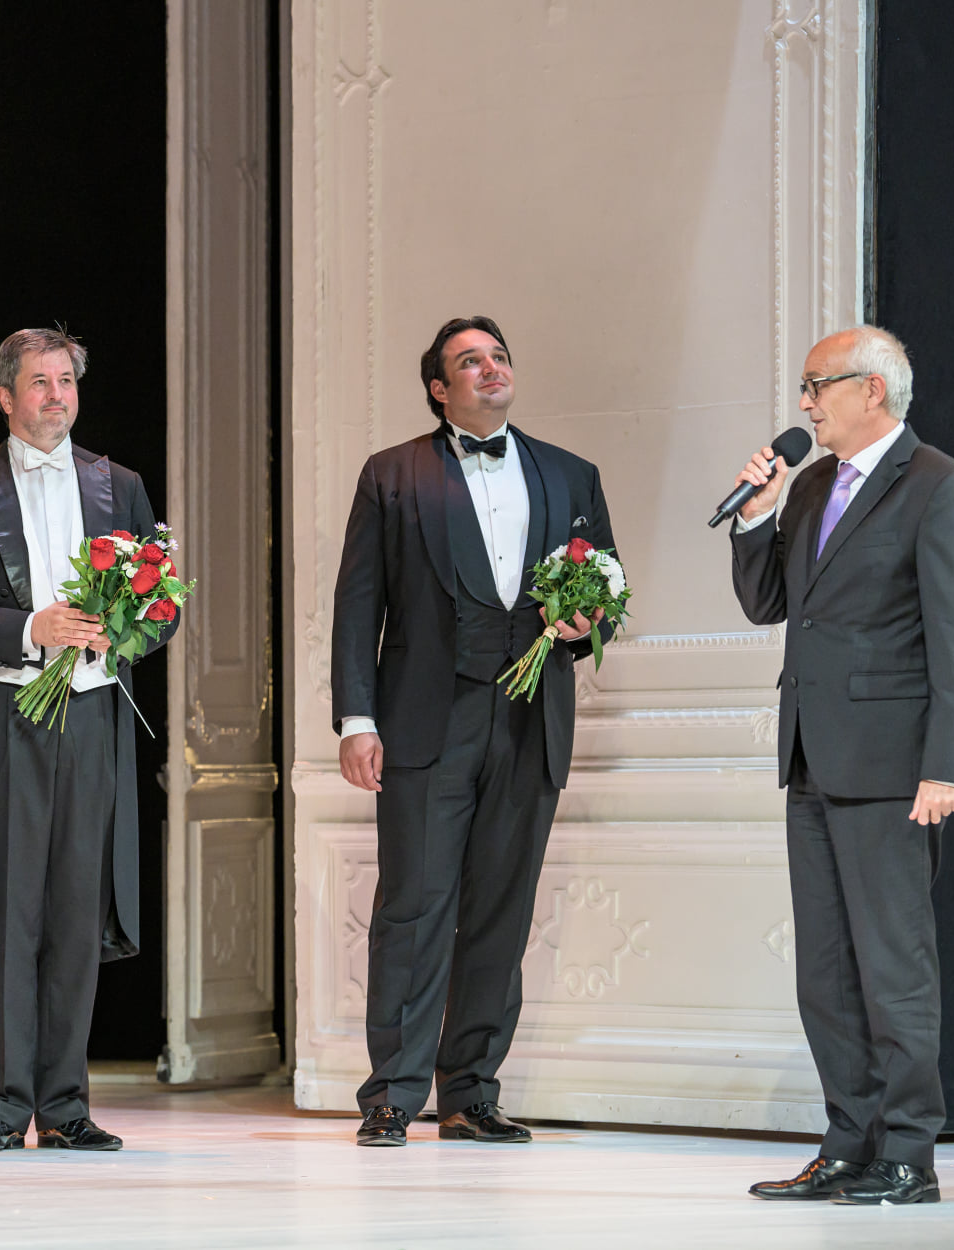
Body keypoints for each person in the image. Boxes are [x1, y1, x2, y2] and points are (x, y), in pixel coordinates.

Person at [331, 316, 618, 1147]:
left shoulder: (571, 474)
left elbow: (605, 587)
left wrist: (588, 624)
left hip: (530, 719)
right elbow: (360, 606)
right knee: (414, 908)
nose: (490, 369)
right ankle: (391, 1094)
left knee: (500, 910)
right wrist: (357, 719)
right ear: (437, 386)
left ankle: (469, 1094)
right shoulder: (392, 475)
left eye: (497, 356)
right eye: (469, 361)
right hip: (426, 718)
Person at [731, 326, 954, 1206]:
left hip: (891, 768)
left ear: (869, 391)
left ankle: (908, 1154)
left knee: (893, 968)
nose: (804, 403)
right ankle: (848, 1142)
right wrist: (756, 517)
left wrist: (946, 766)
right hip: (810, 758)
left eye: (816, 386)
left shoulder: (939, 488)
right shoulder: (808, 487)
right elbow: (771, 603)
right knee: (826, 974)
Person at [0, 328, 173, 1153]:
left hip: (94, 714)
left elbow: (162, 605)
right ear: (5, 396)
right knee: (9, 908)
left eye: (66, 381)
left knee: (74, 905)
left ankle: (65, 1105)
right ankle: (2, 1105)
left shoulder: (119, 484)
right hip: (6, 716)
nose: (56, 395)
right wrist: (32, 627)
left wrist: (121, 634)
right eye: (39, 382)